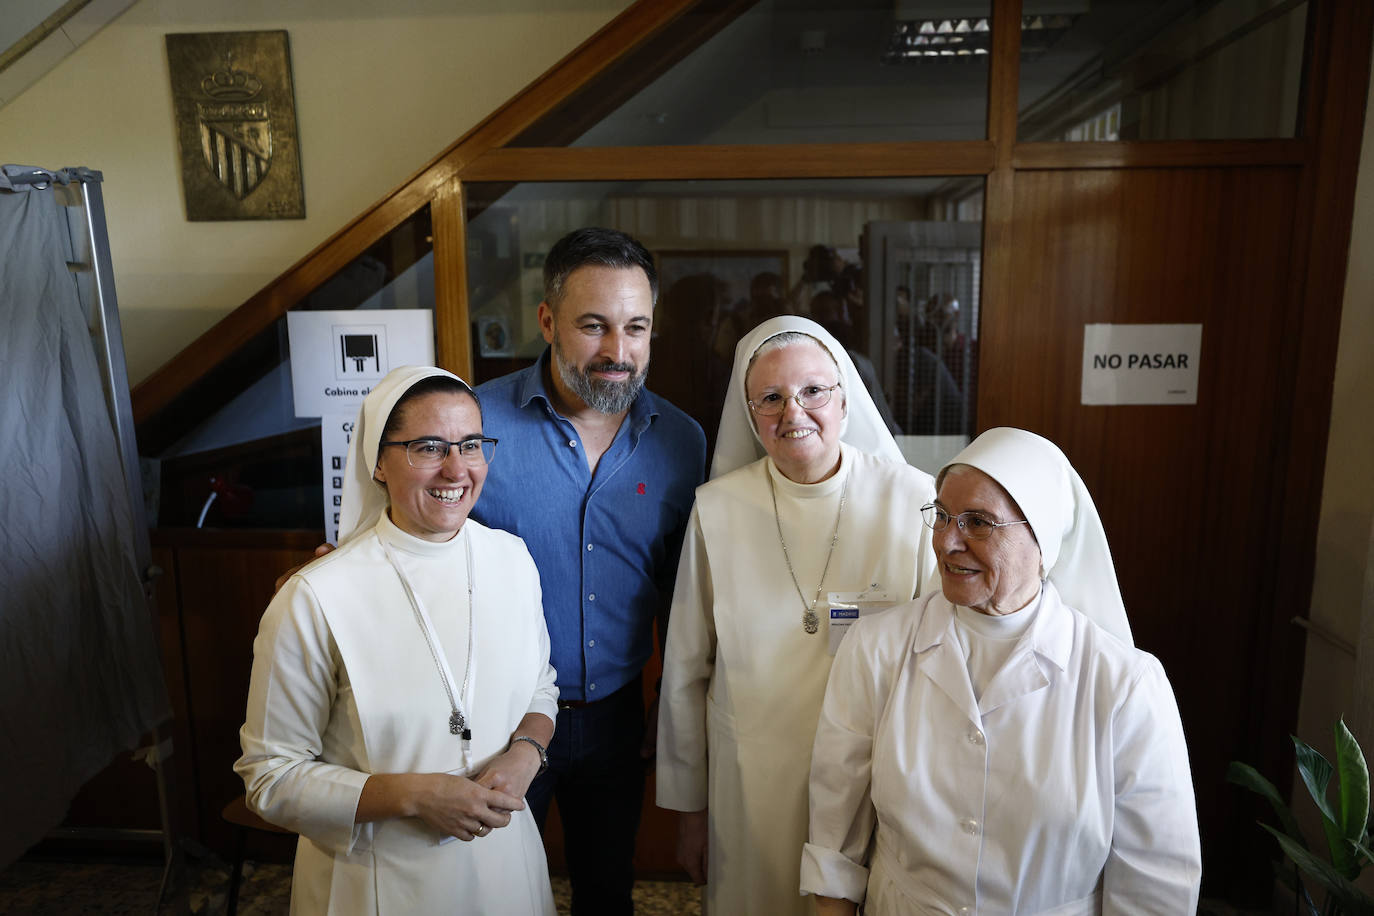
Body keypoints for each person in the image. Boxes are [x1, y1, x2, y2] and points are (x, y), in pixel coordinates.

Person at [803, 427, 1201, 914]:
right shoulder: (876, 648)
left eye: (978, 523)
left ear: (1042, 539)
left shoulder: (1125, 685)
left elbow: (1155, 885)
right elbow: (835, 833)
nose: (947, 541)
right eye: (942, 516)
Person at [236, 366, 559, 914]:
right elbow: (270, 777)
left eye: (471, 445)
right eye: (428, 447)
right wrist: (416, 795)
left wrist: (527, 753)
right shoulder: (316, 595)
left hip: (505, 865)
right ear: (378, 463)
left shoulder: (513, 560)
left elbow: (541, 686)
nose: (456, 468)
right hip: (377, 881)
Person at [657, 316, 940, 915]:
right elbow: (685, 668)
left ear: (845, 400)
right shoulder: (716, 509)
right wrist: (689, 811)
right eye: (771, 398)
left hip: (874, 782)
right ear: (749, 413)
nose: (794, 413)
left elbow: (941, 658)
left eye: (813, 391)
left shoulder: (913, 501)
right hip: (749, 783)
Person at [472, 227, 707, 914]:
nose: (617, 352)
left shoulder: (682, 441)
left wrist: (671, 711)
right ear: (547, 321)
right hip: (495, 719)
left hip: (616, 720)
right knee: (491, 894)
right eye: (593, 325)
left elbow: (681, 592)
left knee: (607, 892)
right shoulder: (474, 423)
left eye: (636, 328)